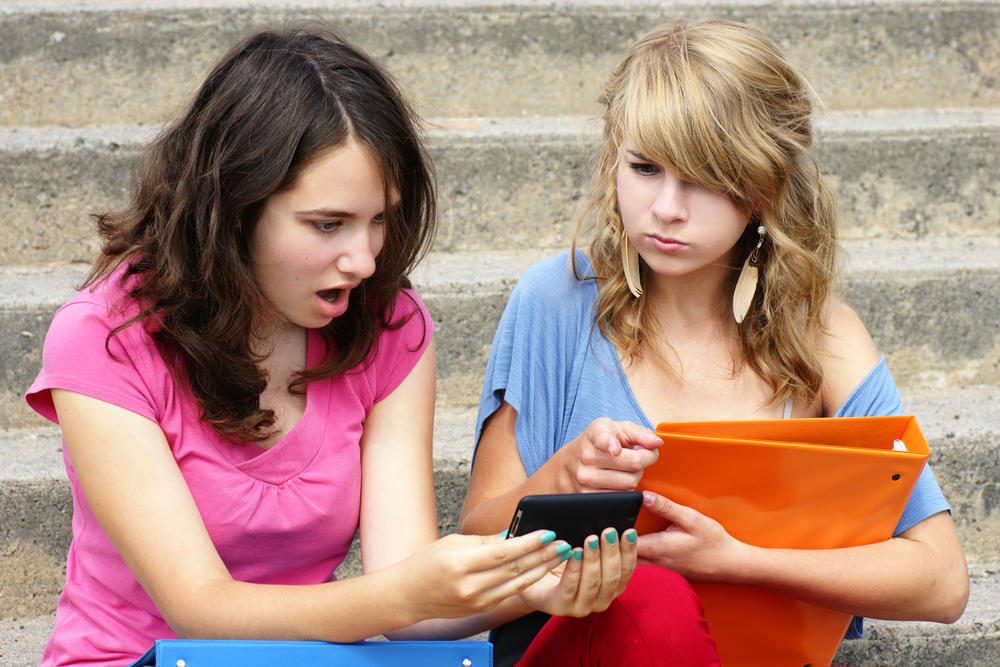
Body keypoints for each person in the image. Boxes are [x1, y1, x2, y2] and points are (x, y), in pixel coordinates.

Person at [24, 27, 639, 667]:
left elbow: (412, 597)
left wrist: (533, 583)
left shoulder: (389, 326)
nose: (364, 260)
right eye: (328, 224)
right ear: (234, 206)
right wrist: (401, 594)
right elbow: (201, 608)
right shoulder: (104, 335)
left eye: (379, 219)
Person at [459, 19, 970, 666]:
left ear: (764, 185)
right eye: (644, 168)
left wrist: (738, 559)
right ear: (614, 160)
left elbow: (942, 579)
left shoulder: (820, 331)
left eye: (702, 177)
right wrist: (561, 478)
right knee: (650, 596)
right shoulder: (558, 299)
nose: (666, 208)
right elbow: (469, 552)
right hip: (580, 649)